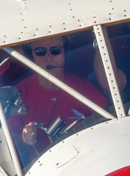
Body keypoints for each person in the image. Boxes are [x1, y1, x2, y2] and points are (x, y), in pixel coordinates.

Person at [9, 36, 107, 165]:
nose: (48, 57)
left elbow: (106, 127)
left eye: (55, 50)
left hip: (86, 160)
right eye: (40, 52)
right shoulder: (18, 94)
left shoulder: (85, 88)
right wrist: (24, 138)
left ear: (65, 53)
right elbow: (9, 148)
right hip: (41, 167)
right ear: (31, 55)